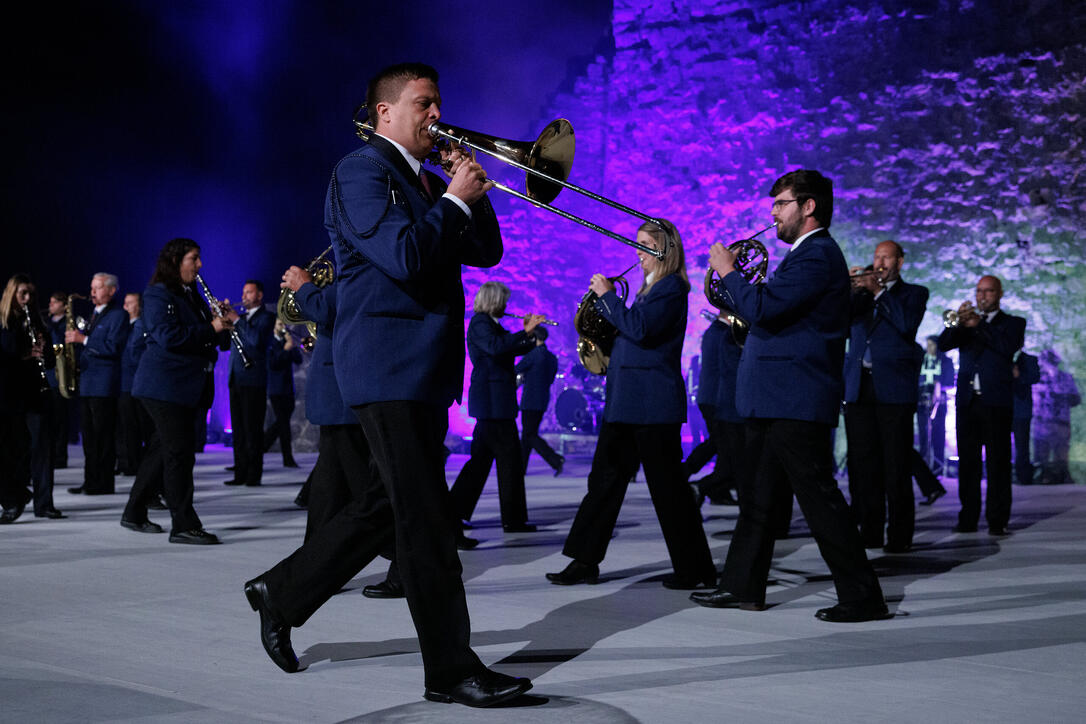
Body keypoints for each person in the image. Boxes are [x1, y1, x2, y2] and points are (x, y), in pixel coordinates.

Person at [242, 63, 531, 707]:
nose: (436, 115)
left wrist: (470, 198)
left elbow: (484, 256)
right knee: (427, 522)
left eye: (438, 103)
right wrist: (451, 200)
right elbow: (402, 256)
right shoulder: (361, 172)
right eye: (423, 104)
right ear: (384, 113)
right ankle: (450, 669)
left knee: (388, 505)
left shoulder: (424, 181)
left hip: (424, 368)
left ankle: (281, 592)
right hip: (387, 365)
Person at [692, 169, 889, 622]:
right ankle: (741, 587)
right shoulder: (805, 256)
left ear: (808, 206)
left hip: (795, 397)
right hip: (776, 396)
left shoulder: (816, 255)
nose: (773, 214)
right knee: (759, 499)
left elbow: (763, 309)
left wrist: (726, 270)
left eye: (781, 204)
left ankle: (863, 597)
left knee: (820, 499)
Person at [546, 219, 716, 590]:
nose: (637, 252)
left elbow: (640, 329)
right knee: (603, 484)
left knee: (668, 490)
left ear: (663, 248)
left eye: (644, 244)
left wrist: (608, 297)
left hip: (652, 407)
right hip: (625, 403)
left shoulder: (672, 287)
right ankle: (584, 560)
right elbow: (632, 335)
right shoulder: (648, 288)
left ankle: (696, 569)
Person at [121, 238, 229, 544]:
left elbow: (209, 342)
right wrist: (212, 327)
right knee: (179, 454)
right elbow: (169, 337)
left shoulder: (190, 295)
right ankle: (183, 524)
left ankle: (134, 511)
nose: (200, 265)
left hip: (183, 387)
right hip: (162, 386)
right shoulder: (157, 294)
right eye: (193, 259)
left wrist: (220, 324)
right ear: (175, 261)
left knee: (161, 450)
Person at [843, 241, 928, 554]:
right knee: (863, 465)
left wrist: (880, 291)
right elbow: (838, 321)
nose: (878, 262)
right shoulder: (860, 294)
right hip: (859, 387)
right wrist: (849, 289)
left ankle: (900, 534)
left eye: (885, 257)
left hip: (894, 390)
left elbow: (906, 326)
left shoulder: (914, 293)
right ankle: (870, 530)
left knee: (896, 465)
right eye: (876, 256)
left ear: (900, 262)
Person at [449, 282, 543, 532]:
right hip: (492, 403)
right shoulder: (481, 323)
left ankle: (456, 513)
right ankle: (511, 519)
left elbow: (510, 348)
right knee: (506, 461)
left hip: (496, 403)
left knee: (482, 463)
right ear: (494, 300)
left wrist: (530, 334)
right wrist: (524, 332)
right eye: (504, 301)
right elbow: (495, 348)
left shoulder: (491, 325)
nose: (507, 306)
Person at [937, 275, 1026, 536]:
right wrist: (959, 324)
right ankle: (968, 518)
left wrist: (978, 326)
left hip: (996, 402)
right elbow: (944, 345)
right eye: (979, 292)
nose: (982, 296)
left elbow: (1006, 347)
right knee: (968, 464)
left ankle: (997, 520)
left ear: (999, 294)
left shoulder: (1013, 323)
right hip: (967, 402)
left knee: (998, 462)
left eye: (988, 292)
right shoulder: (967, 325)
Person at [0, 274, 62, 522]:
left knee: (42, 448)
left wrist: (44, 349)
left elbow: (47, 360)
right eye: (22, 293)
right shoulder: (3, 322)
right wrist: (24, 354)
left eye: (31, 295)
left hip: (35, 391)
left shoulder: (36, 321)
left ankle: (44, 503)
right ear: (11, 293)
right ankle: (13, 498)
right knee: (9, 451)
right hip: (7, 393)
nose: (27, 299)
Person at [66, 273, 129, 495]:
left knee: (103, 437)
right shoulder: (94, 314)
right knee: (89, 438)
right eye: (92, 287)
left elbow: (113, 348)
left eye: (98, 287)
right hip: (88, 383)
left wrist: (83, 340)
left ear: (112, 290)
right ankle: (90, 480)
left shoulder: (119, 315)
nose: (92, 292)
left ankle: (103, 482)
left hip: (104, 386)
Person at [222, 280, 274, 486]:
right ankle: (240, 472)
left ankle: (253, 475)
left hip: (254, 380)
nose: (244, 296)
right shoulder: (241, 318)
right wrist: (222, 320)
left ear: (259, 295)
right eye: (243, 292)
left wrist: (236, 321)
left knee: (252, 429)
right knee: (239, 431)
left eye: (249, 292)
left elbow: (256, 342)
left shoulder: (267, 317)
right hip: (236, 379)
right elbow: (225, 346)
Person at [516, 325, 564, 475]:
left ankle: (555, 459)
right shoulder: (551, 358)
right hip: (543, 399)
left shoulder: (534, 354)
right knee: (528, 435)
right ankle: (521, 468)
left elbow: (517, 368)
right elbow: (549, 379)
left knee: (530, 435)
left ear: (534, 338)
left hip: (530, 399)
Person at [1033, 348, 1080, 485]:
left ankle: (1061, 476)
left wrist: (1060, 397)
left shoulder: (1065, 378)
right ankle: (1044, 476)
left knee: (1061, 453)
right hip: (1042, 422)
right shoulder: (1038, 378)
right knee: (1042, 454)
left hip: (1061, 423)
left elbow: (1076, 399)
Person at [116, 291, 150, 476]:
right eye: (125, 303)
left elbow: (134, 353)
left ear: (139, 306)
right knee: (124, 426)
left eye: (130, 303)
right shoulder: (124, 325)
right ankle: (125, 461)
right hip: (122, 381)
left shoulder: (141, 325)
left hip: (134, 382)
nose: (126, 306)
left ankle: (135, 463)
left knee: (135, 426)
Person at [263, 319, 303, 468]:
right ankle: (288, 458)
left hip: (288, 389)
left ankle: (263, 444)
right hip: (276, 389)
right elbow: (272, 364)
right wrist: (285, 349)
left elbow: (298, 359)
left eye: (284, 324)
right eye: (280, 324)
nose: (283, 327)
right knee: (283, 423)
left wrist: (291, 346)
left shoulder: (288, 341)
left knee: (282, 422)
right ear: (274, 326)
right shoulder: (271, 343)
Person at [917, 335, 954, 476]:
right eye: (928, 345)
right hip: (922, 402)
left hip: (939, 403)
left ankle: (937, 468)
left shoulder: (945, 361)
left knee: (938, 434)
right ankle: (922, 468)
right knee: (923, 436)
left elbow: (950, 382)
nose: (929, 348)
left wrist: (938, 387)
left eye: (932, 345)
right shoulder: (922, 361)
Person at [46, 291, 73, 469]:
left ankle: (60, 456)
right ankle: (51, 454)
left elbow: (60, 346)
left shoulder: (67, 323)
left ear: (64, 305)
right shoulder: (47, 322)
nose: (50, 305)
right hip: (48, 373)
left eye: (55, 302)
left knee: (61, 419)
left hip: (60, 375)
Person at [1011, 348, 1040, 485]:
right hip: (1003, 406)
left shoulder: (1029, 359)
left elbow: (1035, 377)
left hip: (1021, 409)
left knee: (1022, 445)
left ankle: (1023, 476)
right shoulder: (1000, 357)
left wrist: (1019, 376)